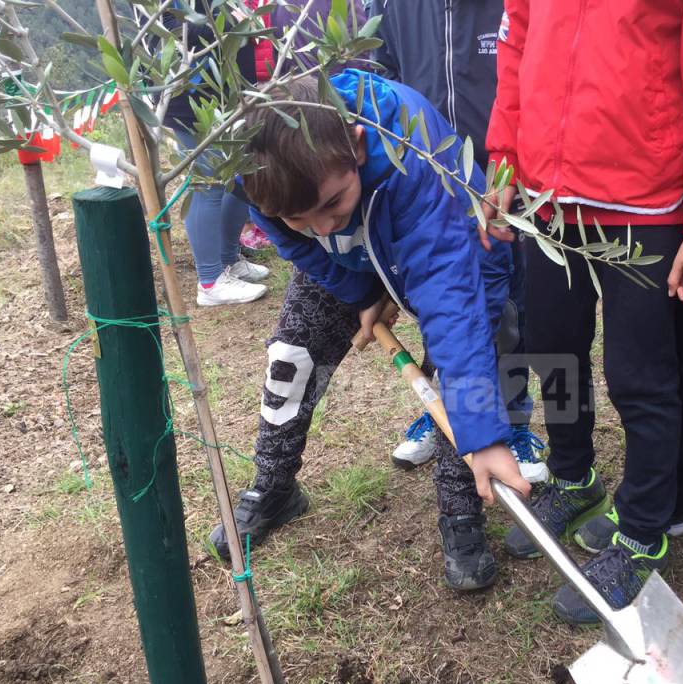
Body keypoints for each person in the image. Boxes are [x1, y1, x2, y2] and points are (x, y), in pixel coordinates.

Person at [485, 0, 683, 623]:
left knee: (640, 377)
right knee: (552, 347)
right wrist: (505, 161)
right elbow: (516, 45)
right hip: (548, 202)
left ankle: (643, 530)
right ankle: (575, 477)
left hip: (646, 205)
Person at [210, 71, 531, 592]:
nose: (323, 227)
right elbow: (296, 243)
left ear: (356, 147)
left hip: (454, 258)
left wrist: (483, 430)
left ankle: (461, 508)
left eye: (332, 205)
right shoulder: (254, 167)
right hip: (354, 267)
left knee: (456, 372)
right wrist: (363, 296)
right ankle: (274, 486)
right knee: (292, 357)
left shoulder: (414, 162)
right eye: (299, 216)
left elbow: (450, 297)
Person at [371, 0, 549, 484]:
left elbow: (536, 83)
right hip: (429, 190)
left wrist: (508, 172)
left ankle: (514, 423)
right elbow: (382, 76)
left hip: (505, 184)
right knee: (446, 308)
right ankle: (445, 412)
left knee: (510, 316)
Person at [159, 2, 271, 306]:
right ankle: (210, 281)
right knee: (208, 184)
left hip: (228, 96)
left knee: (238, 176)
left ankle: (227, 260)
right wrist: (228, 23)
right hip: (193, 101)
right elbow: (173, 32)